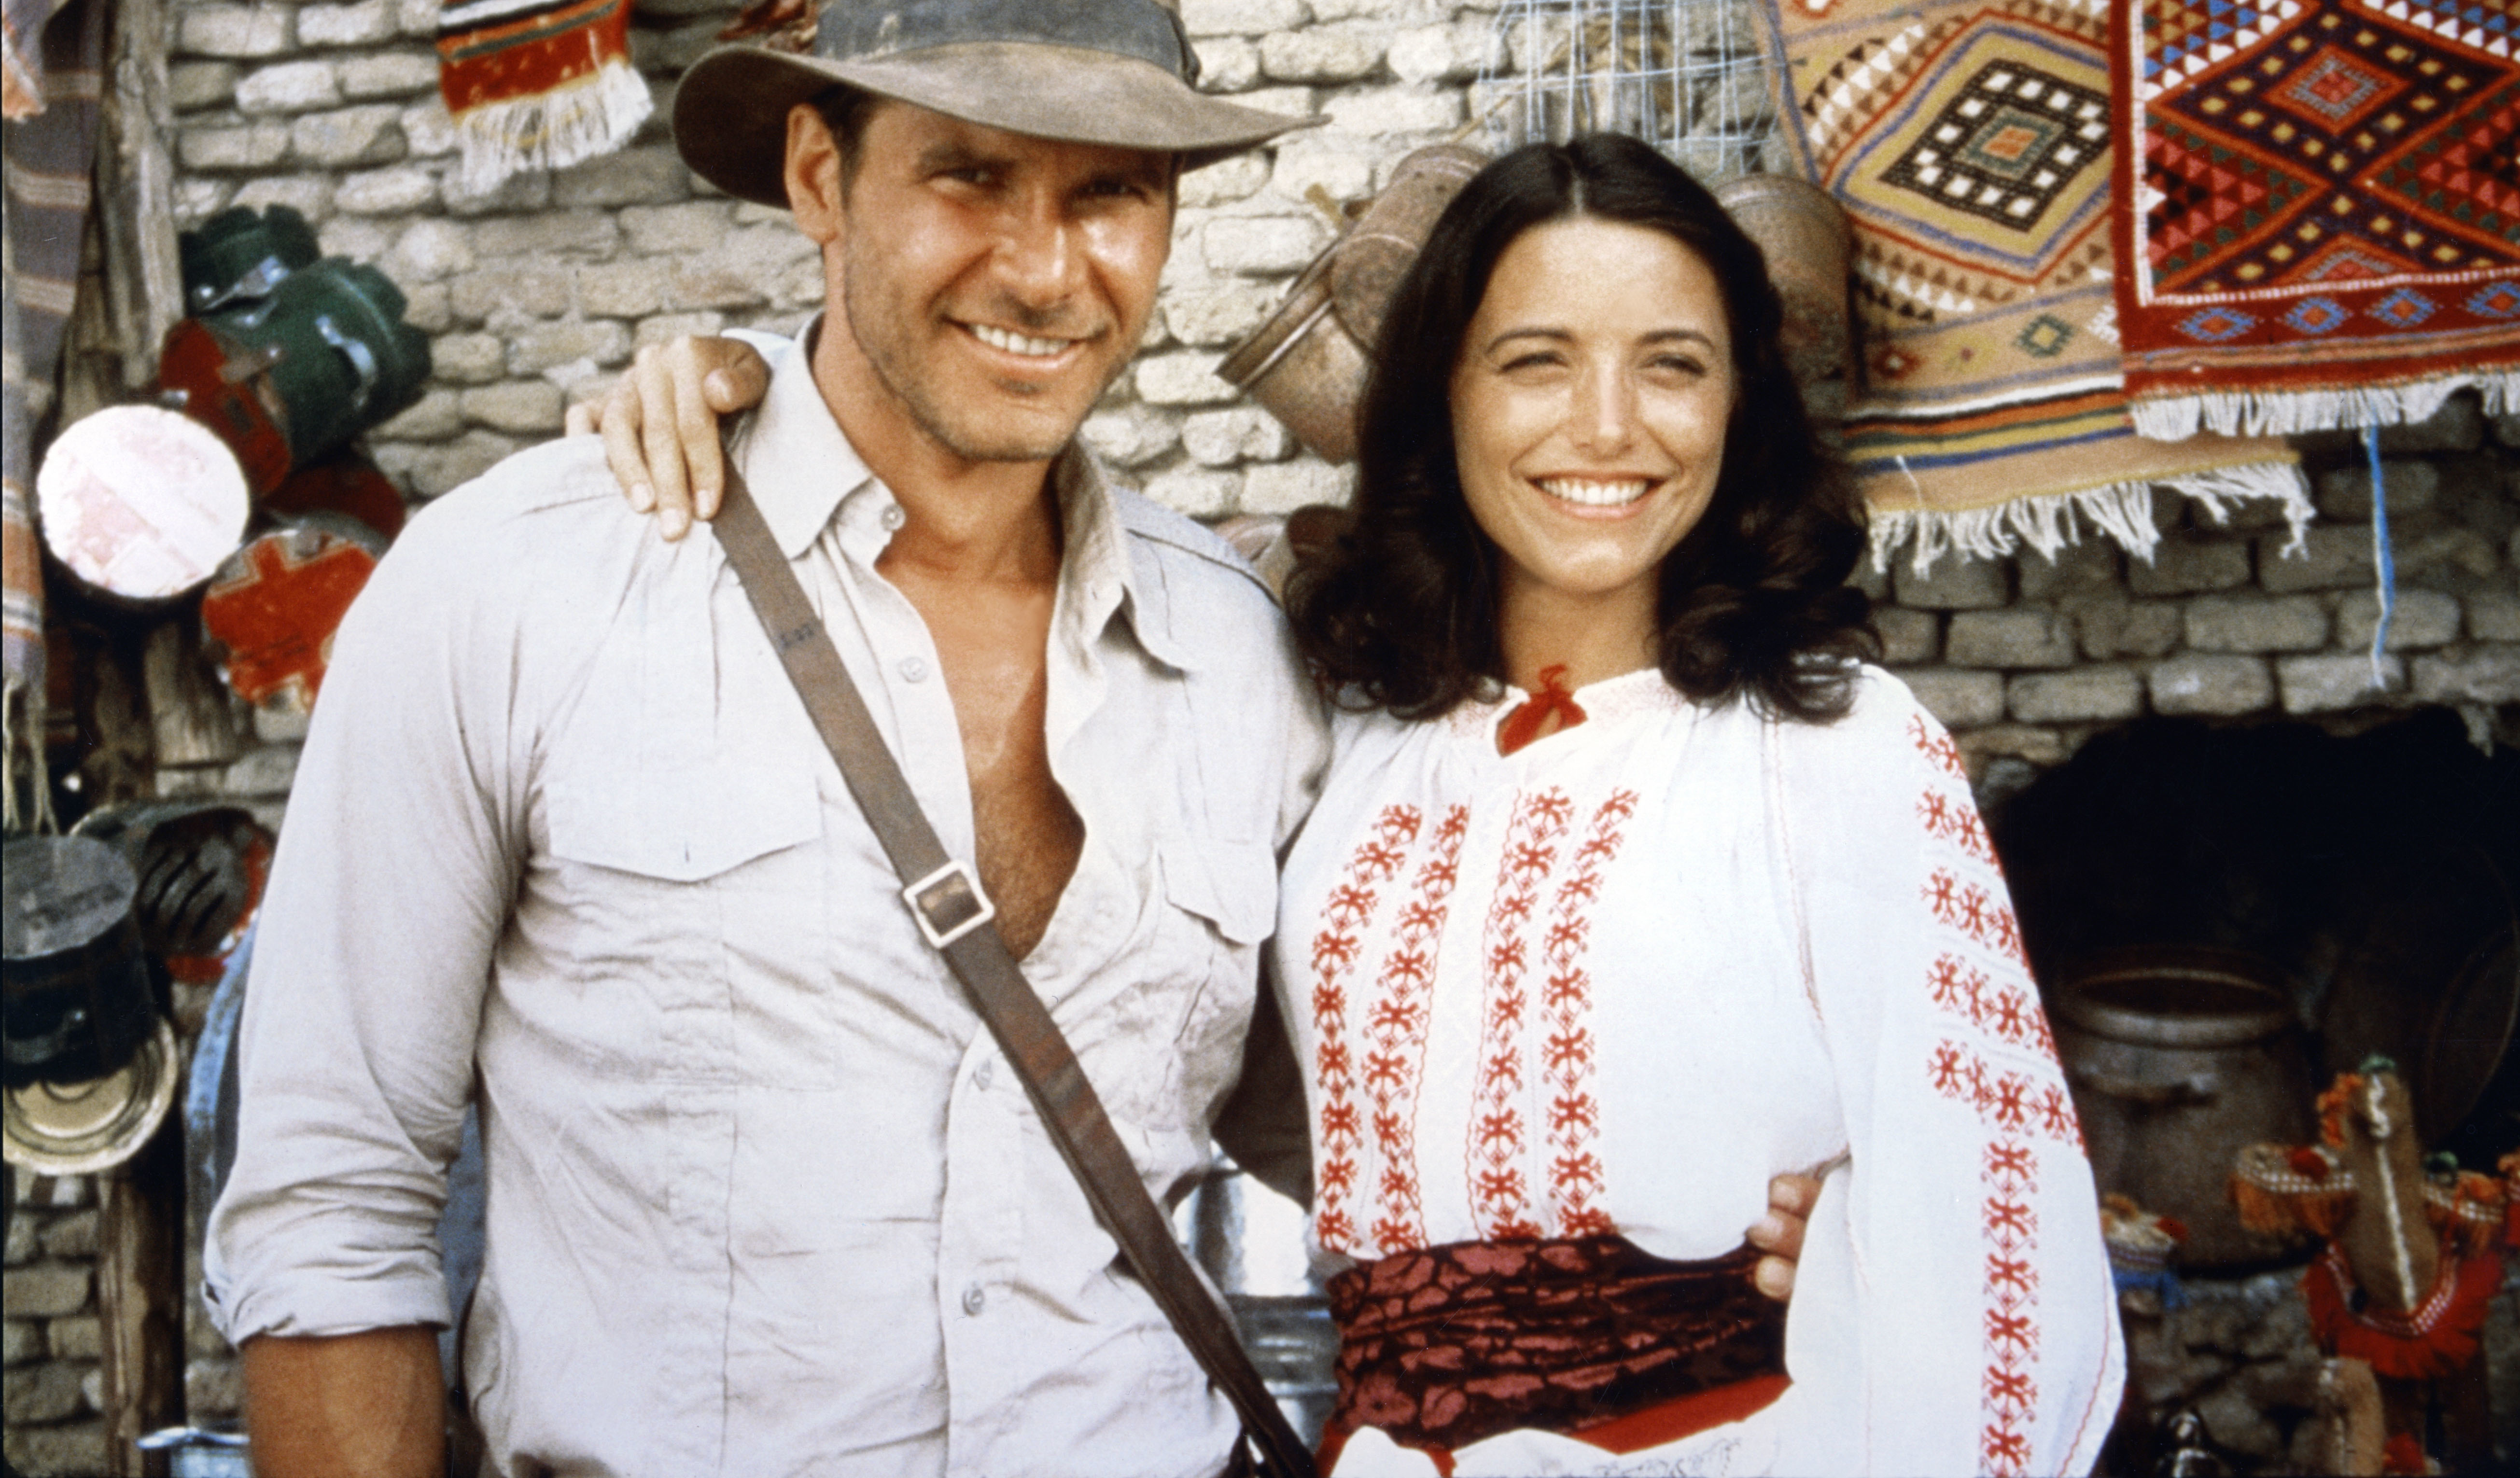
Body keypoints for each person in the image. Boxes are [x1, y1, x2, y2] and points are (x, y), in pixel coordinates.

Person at [212, 0, 1820, 1478]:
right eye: (969, 173)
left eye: (1110, 192)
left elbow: (1402, 1126)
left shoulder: (1246, 656)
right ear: (822, 178)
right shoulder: (515, 592)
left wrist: (1773, 1192)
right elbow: (333, 1211)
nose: (1046, 269)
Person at [597, 137, 2126, 1474]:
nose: (1608, 425)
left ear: (1741, 408)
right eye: (1535, 360)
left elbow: (1999, 1260)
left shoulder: (1842, 751)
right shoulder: (1345, 738)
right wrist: (731, 376)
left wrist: (1849, 1247)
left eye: (1674, 362)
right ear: (1441, 399)